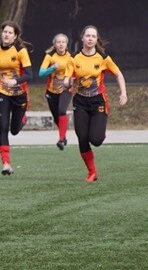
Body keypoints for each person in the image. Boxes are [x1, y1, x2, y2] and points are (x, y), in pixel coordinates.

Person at [68, 25, 127, 182]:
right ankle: (92, 172)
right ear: (82, 38)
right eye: (87, 35)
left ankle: (99, 132)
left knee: (96, 139)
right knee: (82, 137)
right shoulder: (74, 58)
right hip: (80, 101)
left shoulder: (103, 57)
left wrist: (124, 93)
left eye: (93, 36)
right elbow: (68, 78)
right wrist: (67, 82)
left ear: (96, 39)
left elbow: (118, 74)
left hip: (98, 101)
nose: (90, 38)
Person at [0, 22, 33, 175]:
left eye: (9, 33)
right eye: (4, 32)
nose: (6, 35)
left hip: (19, 95)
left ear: (15, 36)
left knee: (14, 130)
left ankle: (22, 119)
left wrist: (15, 81)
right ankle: (6, 164)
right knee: (3, 127)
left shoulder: (20, 51)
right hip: (3, 94)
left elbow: (29, 75)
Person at [37, 33, 75, 150]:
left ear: (66, 44)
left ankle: (61, 139)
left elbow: (75, 73)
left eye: (63, 42)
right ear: (55, 44)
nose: (61, 44)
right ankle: (64, 137)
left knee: (62, 111)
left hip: (65, 89)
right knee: (56, 117)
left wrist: (72, 80)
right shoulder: (49, 56)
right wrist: (53, 67)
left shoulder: (71, 57)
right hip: (51, 91)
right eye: (58, 42)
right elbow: (41, 73)